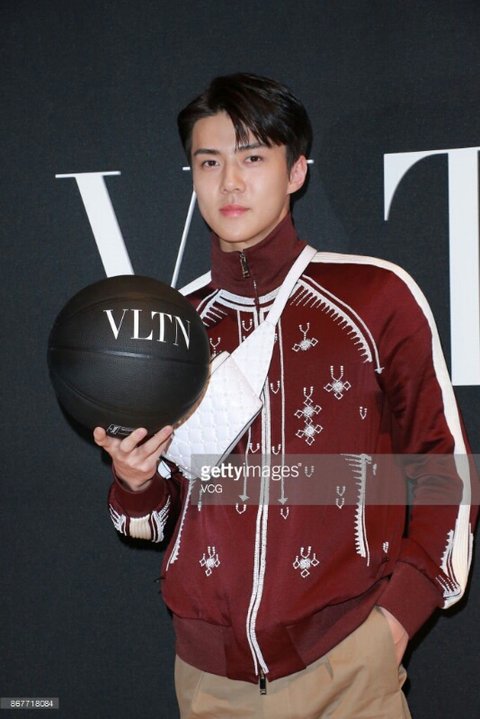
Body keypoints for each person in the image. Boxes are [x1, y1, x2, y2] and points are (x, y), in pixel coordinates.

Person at [94, 73, 476, 718]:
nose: (230, 183)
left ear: (296, 171)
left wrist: (397, 620)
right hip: (211, 681)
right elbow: (151, 523)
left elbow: (445, 466)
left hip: (351, 664)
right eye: (209, 162)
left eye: (252, 158)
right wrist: (134, 483)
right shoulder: (175, 326)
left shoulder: (375, 296)